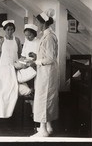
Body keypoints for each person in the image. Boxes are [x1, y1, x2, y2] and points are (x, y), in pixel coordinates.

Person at [27, 9, 59, 137]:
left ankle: (43, 130)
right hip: (45, 72)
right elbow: (46, 55)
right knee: (47, 98)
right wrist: (36, 56)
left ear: (44, 23)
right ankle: (49, 127)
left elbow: (50, 58)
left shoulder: (50, 37)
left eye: (37, 22)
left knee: (44, 98)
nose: (36, 25)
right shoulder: (46, 35)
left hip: (47, 73)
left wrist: (36, 63)